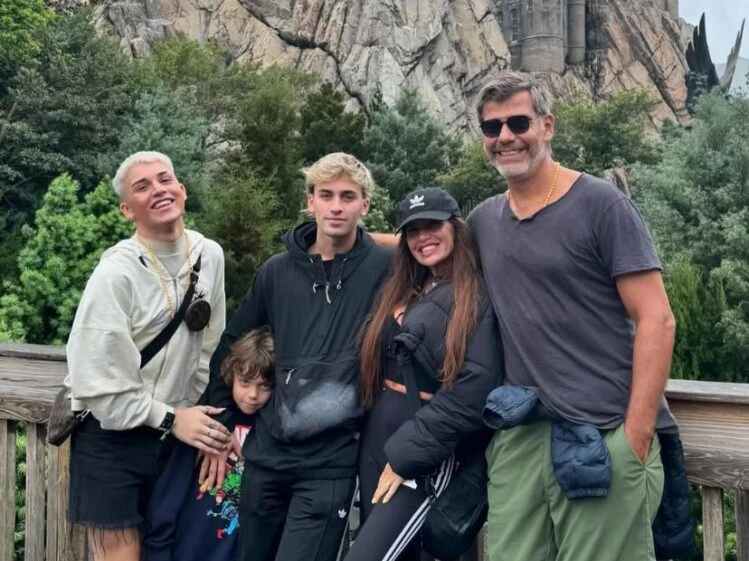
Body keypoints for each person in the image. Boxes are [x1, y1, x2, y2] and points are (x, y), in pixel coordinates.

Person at [469, 72, 679, 561]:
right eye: (492, 127)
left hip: (602, 432)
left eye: (518, 122)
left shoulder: (601, 205)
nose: (505, 137)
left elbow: (657, 319)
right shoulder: (484, 220)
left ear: (547, 126)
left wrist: (635, 437)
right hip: (522, 436)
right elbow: (424, 248)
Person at [204, 152, 393, 561]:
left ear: (365, 205)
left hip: (330, 461)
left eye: (348, 196)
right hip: (267, 455)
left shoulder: (387, 268)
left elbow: (445, 243)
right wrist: (220, 428)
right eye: (326, 195)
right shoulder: (276, 271)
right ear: (311, 202)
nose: (336, 206)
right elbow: (231, 346)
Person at [64, 151, 231, 561]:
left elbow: (211, 347)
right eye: (142, 187)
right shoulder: (115, 274)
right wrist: (173, 418)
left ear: (182, 190)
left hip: (179, 436)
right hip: (113, 439)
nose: (158, 190)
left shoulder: (209, 255)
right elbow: (97, 383)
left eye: (164, 179)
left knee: (176, 550)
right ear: (127, 210)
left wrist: (206, 428)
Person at [344, 187, 501, 561]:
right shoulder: (405, 286)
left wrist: (407, 455)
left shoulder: (476, 295)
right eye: (413, 230)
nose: (423, 237)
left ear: (455, 227)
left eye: (433, 225)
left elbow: (475, 388)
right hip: (377, 434)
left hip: (424, 447)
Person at [143, 327, 275, 561]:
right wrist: (157, 549)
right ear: (231, 375)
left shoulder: (275, 432)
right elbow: (169, 493)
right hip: (189, 549)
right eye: (245, 382)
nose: (253, 394)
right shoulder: (205, 421)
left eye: (264, 386)